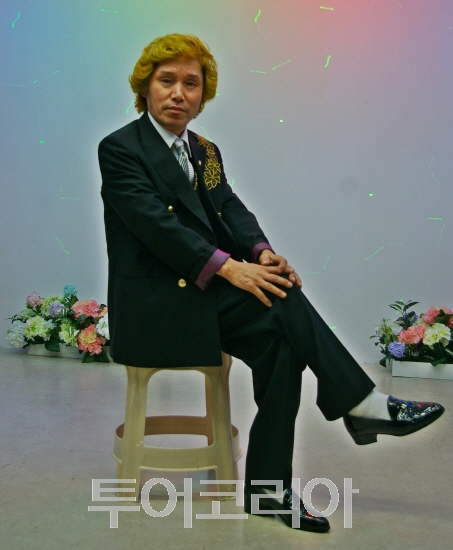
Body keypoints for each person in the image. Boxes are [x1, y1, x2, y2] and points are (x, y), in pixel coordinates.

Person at [99, 34, 444, 534]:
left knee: (281, 343)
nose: (178, 93)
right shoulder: (120, 148)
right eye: (166, 80)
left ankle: (269, 492)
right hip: (157, 308)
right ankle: (360, 404)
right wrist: (230, 268)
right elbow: (157, 227)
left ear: (203, 94)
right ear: (145, 87)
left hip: (202, 299)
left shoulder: (205, 151)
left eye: (191, 83)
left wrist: (260, 252)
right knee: (283, 303)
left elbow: (229, 207)